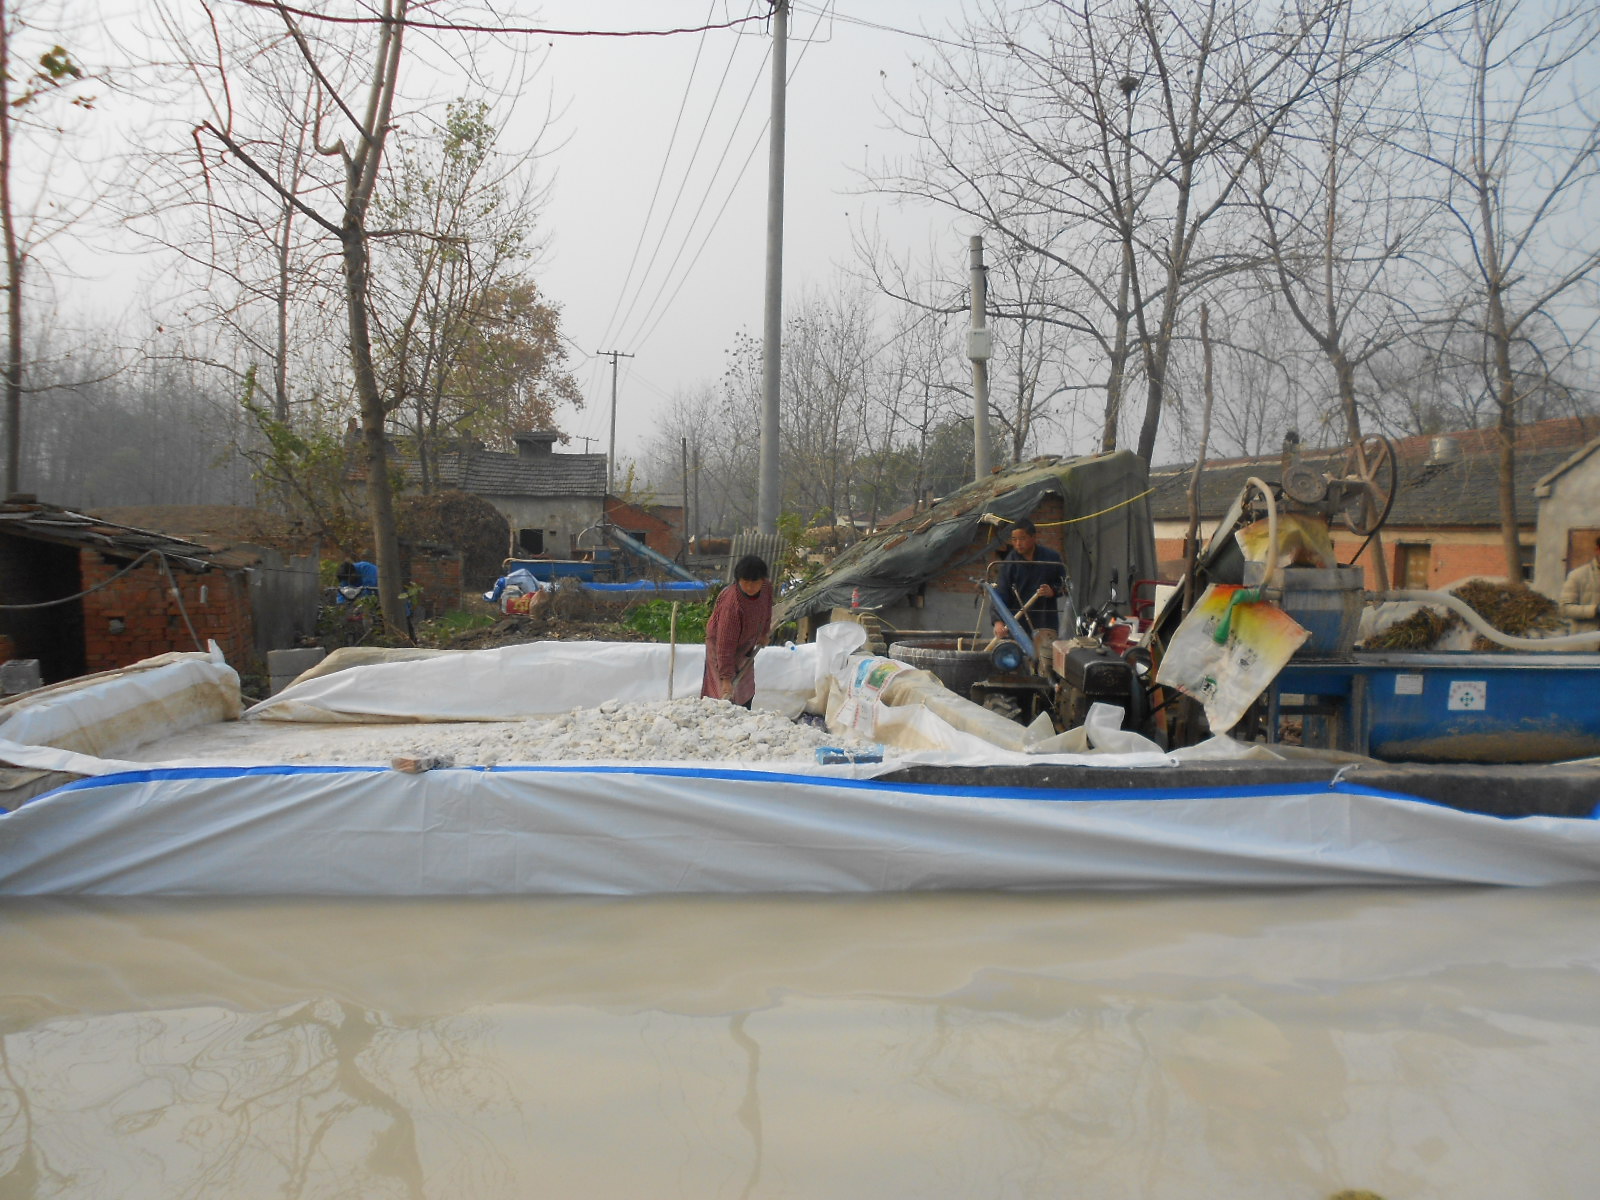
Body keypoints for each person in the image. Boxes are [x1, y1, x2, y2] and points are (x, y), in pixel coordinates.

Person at [702, 554, 774, 706]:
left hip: (745, 642)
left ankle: (744, 712)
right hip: (720, 646)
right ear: (738, 580)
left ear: (762, 580)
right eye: (745, 582)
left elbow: (766, 611)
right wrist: (726, 679)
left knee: (744, 687)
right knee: (723, 692)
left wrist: (763, 633)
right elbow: (725, 644)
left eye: (754, 582)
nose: (749, 587)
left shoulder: (766, 588)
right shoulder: (732, 605)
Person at [992, 517, 1066, 638]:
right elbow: (1000, 593)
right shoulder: (1010, 563)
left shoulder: (1051, 558)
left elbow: (1064, 585)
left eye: (1022, 539)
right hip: (1018, 622)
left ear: (1033, 537)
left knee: (1045, 655)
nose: (1018, 544)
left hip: (1045, 620)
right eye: (1014, 540)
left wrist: (1052, 591)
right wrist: (998, 622)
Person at [1559, 535, 1600, 632]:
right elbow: (1564, 609)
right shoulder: (1577, 575)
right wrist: (1595, 610)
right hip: (1587, 642)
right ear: (1597, 550)